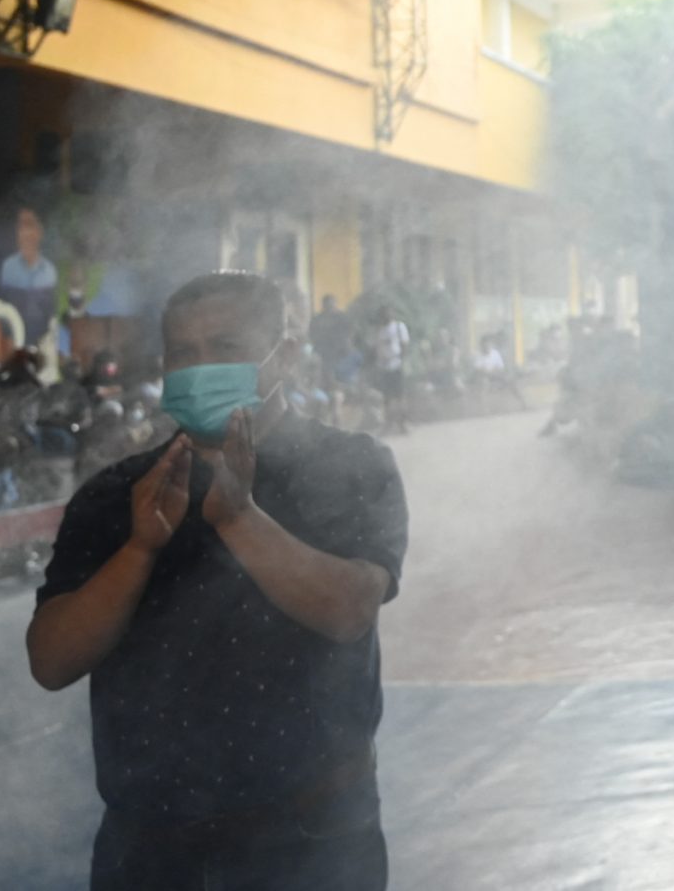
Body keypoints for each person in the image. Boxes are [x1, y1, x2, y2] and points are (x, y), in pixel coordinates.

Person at [27, 272, 408, 890]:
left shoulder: (349, 466)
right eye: (183, 353)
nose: (200, 368)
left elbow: (348, 610)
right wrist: (139, 548)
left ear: (283, 354)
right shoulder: (114, 496)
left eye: (225, 348)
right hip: (150, 842)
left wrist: (240, 520)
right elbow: (51, 658)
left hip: (311, 835)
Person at [0, 204, 63, 341]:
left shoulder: (50, 272)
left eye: (29, 225)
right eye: (20, 226)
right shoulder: (8, 269)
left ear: (39, 231)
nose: (24, 233)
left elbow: (51, 317)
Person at [369, 310, 411, 436]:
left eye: (387, 314)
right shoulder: (379, 331)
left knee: (400, 396)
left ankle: (403, 422)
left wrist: (402, 361)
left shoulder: (399, 327)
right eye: (383, 315)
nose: (385, 316)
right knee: (387, 397)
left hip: (397, 364)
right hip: (384, 367)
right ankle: (389, 423)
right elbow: (377, 348)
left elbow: (404, 345)